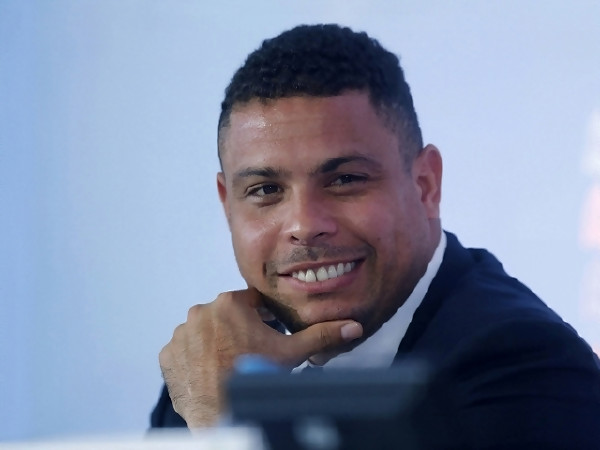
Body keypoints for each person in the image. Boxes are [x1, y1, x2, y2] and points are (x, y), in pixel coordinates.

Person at [152, 24, 600, 447]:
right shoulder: (219, 362)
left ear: (425, 186)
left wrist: (224, 427)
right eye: (266, 190)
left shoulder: (527, 367)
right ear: (227, 205)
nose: (304, 224)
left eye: (345, 180)